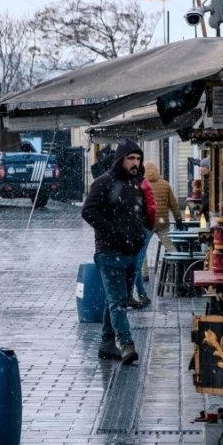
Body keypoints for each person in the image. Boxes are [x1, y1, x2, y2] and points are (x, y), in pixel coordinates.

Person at [81, 139, 149, 365]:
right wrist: (113, 232)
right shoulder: (104, 182)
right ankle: (126, 343)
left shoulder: (136, 183)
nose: (135, 163)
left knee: (117, 300)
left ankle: (106, 343)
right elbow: (88, 211)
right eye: (131, 158)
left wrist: (140, 234)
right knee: (118, 301)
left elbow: (139, 213)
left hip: (131, 250)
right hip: (109, 252)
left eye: (138, 159)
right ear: (120, 159)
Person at [128, 174, 158, 308]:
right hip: (143, 226)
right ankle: (136, 294)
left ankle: (138, 293)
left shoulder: (124, 182)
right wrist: (150, 225)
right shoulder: (143, 183)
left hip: (131, 227)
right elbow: (152, 207)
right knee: (137, 262)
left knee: (135, 262)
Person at [145, 161, 183, 265]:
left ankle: (144, 274)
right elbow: (173, 204)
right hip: (162, 222)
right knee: (169, 246)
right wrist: (178, 219)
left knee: (142, 250)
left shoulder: (142, 186)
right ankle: (177, 267)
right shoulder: (165, 184)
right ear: (157, 171)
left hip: (148, 223)